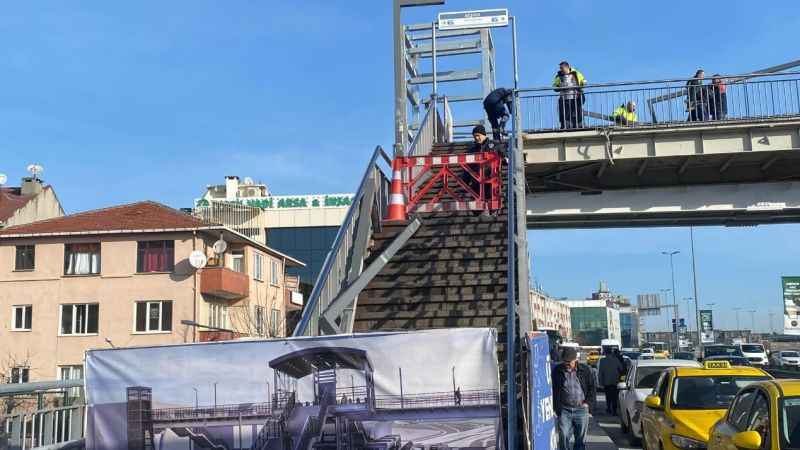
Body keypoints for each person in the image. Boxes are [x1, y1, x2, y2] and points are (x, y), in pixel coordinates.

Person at [553, 347, 596, 450]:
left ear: (575, 360)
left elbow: (592, 388)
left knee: (580, 440)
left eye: (569, 362)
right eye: (565, 362)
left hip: (581, 409)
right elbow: (553, 389)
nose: (567, 364)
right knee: (563, 436)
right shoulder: (557, 371)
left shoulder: (585, 370)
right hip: (564, 410)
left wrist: (588, 404)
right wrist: (556, 407)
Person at [553, 61, 587, 130]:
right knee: (565, 113)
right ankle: (566, 126)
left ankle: (579, 125)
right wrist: (558, 87)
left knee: (577, 112)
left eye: (562, 68)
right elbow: (554, 86)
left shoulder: (576, 73)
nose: (561, 70)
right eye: (560, 68)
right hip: (564, 98)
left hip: (576, 96)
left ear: (567, 67)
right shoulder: (559, 76)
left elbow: (583, 81)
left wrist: (583, 84)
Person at [597, 350, 624, 415]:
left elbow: (600, 372)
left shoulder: (602, 361)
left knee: (608, 396)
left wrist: (600, 382)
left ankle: (608, 408)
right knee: (615, 397)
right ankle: (614, 410)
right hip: (615, 381)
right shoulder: (616, 360)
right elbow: (621, 369)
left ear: (605, 354)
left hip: (606, 382)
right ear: (611, 353)